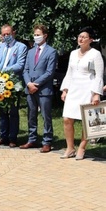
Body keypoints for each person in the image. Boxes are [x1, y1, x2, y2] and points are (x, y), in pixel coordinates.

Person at [60, 27, 103, 160]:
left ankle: (82, 148)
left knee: (86, 120)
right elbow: (69, 72)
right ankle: (70, 147)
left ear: (90, 40)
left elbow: (99, 75)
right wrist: (65, 89)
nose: (81, 38)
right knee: (67, 118)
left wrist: (96, 93)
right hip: (74, 88)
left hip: (87, 89)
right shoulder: (73, 53)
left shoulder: (95, 54)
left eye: (84, 37)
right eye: (79, 36)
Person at [0, 24, 28, 147]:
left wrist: (4, 71)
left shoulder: (21, 47)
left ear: (13, 33)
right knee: (2, 111)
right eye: (4, 34)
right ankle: (3, 136)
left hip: (13, 83)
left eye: (8, 34)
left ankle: (13, 138)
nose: (6, 36)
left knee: (13, 112)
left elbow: (20, 65)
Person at [20, 25, 57, 153]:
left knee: (46, 116)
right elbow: (25, 70)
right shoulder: (30, 51)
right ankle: (32, 139)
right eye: (35, 35)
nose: (36, 37)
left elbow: (49, 72)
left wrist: (36, 84)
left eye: (38, 34)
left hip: (43, 89)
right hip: (30, 88)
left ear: (45, 35)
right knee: (31, 115)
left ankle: (47, 141)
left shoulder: (51, 51)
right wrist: (29, 83)